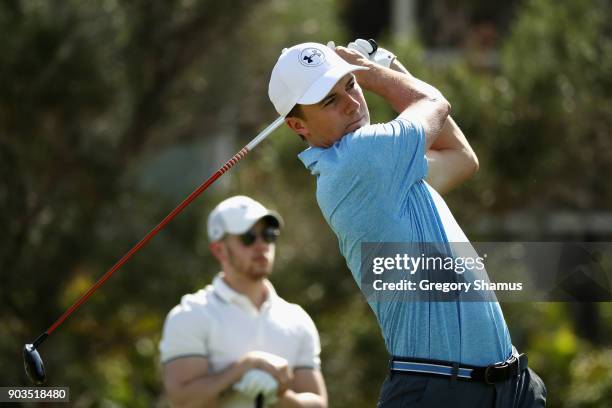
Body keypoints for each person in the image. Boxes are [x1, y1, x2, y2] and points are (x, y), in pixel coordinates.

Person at [267, 40, 546, 407]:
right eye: (330, 101)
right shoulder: (358, 159)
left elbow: (461, 158)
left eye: (350, 84)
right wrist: (375, 72)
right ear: (297, 125)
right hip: (438, 389)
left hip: (509, 387)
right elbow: (435, 104)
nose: (352, 102)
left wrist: (386, 64)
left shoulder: (388, 167)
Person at [159, 195, 327, 408]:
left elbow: (318, 404)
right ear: (219, 250)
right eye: (248, 237)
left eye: (268, 235)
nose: (261, 245)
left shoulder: (297, 319)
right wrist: (244, 368)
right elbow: (184, 401)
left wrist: (276, 395)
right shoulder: (191, 315)